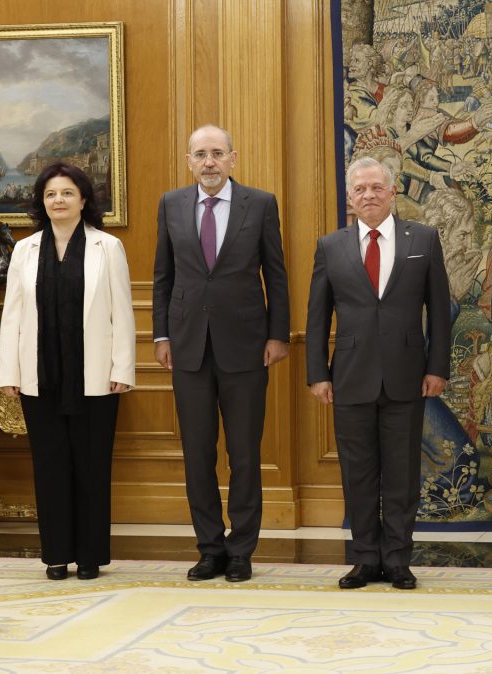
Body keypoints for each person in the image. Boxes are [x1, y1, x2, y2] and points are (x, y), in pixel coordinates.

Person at [152, 125, 290, 583]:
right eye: (200, 154)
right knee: (197, 454)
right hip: (187, 347)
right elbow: (163, 277)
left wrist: (278, 335)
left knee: (244, 453)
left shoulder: (261, 204)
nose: (208, 162)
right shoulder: (171, 204)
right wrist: (161, 336)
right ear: (188, 161)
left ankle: (241, 550)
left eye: (217, 153)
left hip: (247, 347)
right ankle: (210, 549)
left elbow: (276, 274)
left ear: (233, 158)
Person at [306, 157, 450, 590]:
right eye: (360, 189)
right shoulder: (330, 246)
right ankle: (366, 559)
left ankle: (399, 560)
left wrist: (437, 367)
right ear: (350, 198)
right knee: (358, 473)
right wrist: (318, 373)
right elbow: (317, 316)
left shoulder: (423, 239)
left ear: (392, 191)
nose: (368, 195)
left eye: (376, 187)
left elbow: (439, 310)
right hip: (349, 378)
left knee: (403, 474)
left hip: (408, 376)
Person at [0, 162, 135, 581]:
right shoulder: (25, 250)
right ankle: (56, 555)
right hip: (39, 377)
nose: (59, 200)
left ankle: (90, 556)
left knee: (92, 466)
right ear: (42, 201)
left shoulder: (107, 247)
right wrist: (9, 372)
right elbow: (12, 315)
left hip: (96, 376)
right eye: (51, 194)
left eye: (67, 193)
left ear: (83, 199)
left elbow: (122, 312)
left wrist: (122, 367)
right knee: (50, 466)